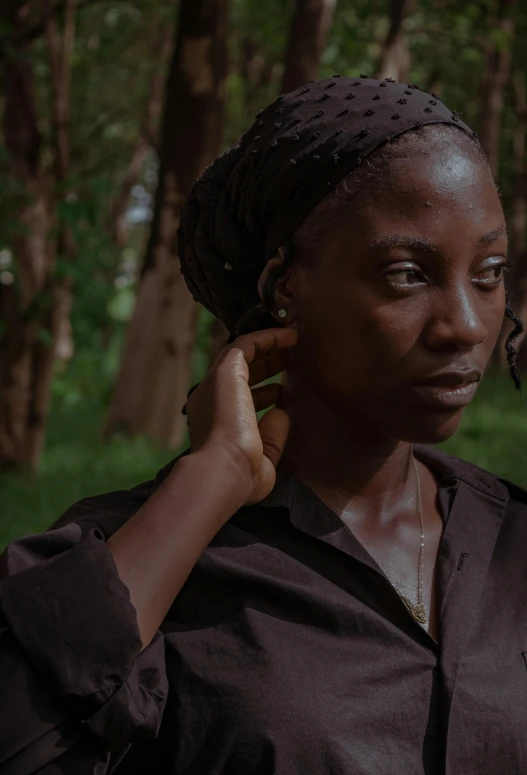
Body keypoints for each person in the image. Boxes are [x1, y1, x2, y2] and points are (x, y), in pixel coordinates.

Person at [1, 75, 526, 775]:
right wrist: (210, 479)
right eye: (406, 274)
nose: (463, 324)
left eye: (487, 272)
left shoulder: (508, 543)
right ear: (286, 287)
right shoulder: (148, 565)